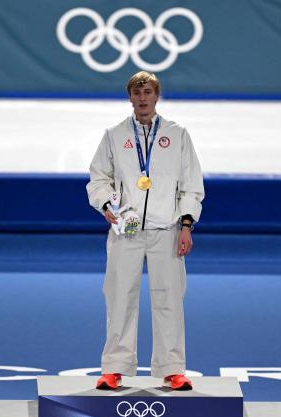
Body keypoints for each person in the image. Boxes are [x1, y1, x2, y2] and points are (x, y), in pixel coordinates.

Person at [87, 71, 204, 391]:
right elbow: (98, 178)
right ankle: (114, 368)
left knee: (169, 299)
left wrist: (186, 225)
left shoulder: (178, 135)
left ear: (157, 96)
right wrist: (105, 206)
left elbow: (191, 185)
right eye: (137, 93)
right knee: (119, 297)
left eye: (148, 92)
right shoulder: (114, 134)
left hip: (166, 229)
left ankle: (172, 368)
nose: (142, 98)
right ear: (129, 97)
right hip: (126, 229)